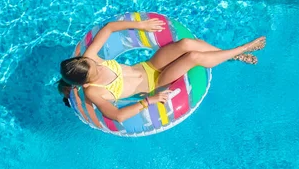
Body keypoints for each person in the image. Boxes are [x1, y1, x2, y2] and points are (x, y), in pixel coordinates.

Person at [58, 18, 265, 122]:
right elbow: (118, 116)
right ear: (85, 81)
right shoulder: (93, 91)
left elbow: (109, 28)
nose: (96, 63)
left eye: (94, 62)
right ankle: (241, 49)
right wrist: (149, 101)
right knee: (194, 57)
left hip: (150, 65)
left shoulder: (89, 59)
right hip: (156, 83)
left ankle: (234, 55)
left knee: (187, 43)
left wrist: (141, 24)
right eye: (94, 69)